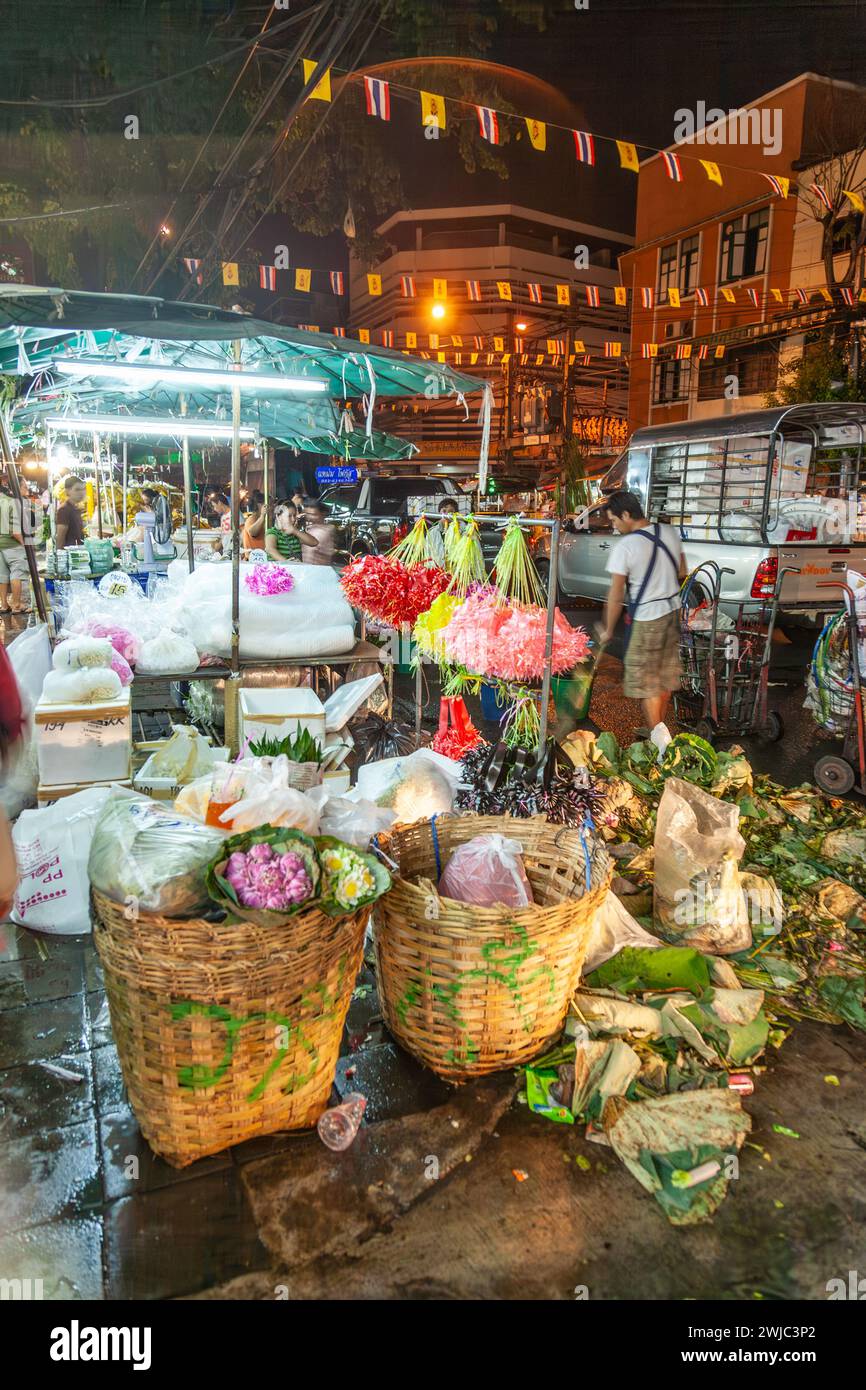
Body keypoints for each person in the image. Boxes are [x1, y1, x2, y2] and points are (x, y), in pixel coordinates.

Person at [599, 490, 687, 732]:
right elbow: (682, 570)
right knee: (664, 679)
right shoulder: (668, 532)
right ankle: (656, 730)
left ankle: (659, 745)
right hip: (672, 614)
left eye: (615, 521)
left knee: (647, 684)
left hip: (647, 619)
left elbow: (616, 594)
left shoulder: (626, 546)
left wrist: (608, 629)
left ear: (626, 515)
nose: (615, 527)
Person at [0, 486, 30, 615]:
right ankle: (17, 604)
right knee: (16, 572)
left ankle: (4, 605)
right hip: (12, 545)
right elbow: (14, 530)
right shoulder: (10, 502)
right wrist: (25, 544)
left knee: (2, 575)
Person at [54, 475, 86, 550]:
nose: (81, 493)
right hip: (70, 555)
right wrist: (60, 557)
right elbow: (60, 538)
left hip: (78, 553)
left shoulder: (76, 509)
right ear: (67, 491)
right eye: (77, 489)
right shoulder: (64, 510)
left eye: (83, 489)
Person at [301, 498, 336, 566]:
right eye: (307, 514)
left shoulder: (323, 532)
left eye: (313, 514)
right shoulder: (310, 528)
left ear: (322, 514)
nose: (309, 517)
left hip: (316, 569)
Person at [428, 497, 459, 567]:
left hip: (457, 573)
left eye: (450, 512)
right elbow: (428, 554)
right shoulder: (432, 533)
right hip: (437, 573)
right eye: (444, 511)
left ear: (456, 514)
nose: (447, 515)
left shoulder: (463, 532)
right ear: (439, 513)